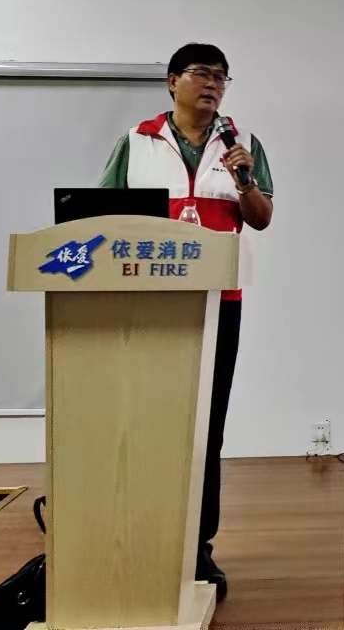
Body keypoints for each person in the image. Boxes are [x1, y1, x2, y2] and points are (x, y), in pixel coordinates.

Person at [98, 43, 273, 600]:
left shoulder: (242, 145)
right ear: (173, 81)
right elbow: (100, 216)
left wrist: (244, 181)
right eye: (203, 74)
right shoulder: (137, 142)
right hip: (151, 304)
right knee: (148, 423)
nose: (214, 84)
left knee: (206, 428)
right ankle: (141, 538)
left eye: (222, 77)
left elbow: (261, 219)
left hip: (220, 302)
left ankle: (198, 546)